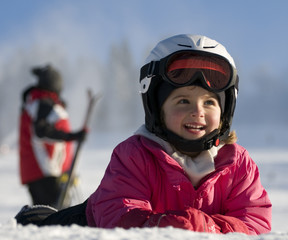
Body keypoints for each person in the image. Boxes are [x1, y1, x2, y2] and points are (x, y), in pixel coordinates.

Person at [15, 34, 272, 235]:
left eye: (209, 103)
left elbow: (255, 225)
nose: (197, 112)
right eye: (182, 101)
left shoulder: (237, 165)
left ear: (226, 111)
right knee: (44, 226)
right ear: (156, 109)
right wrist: (170, 228)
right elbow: (119, 218)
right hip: (86, 223)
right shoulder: (136, 155)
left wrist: (204, 228)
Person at [18, 64, 87, 209]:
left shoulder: (36, 102)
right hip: (45, 172)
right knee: (52, 216)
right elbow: (41, 131)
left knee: (49, 215)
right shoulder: (43, 102)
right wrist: (72, 136)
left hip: (40, 171)